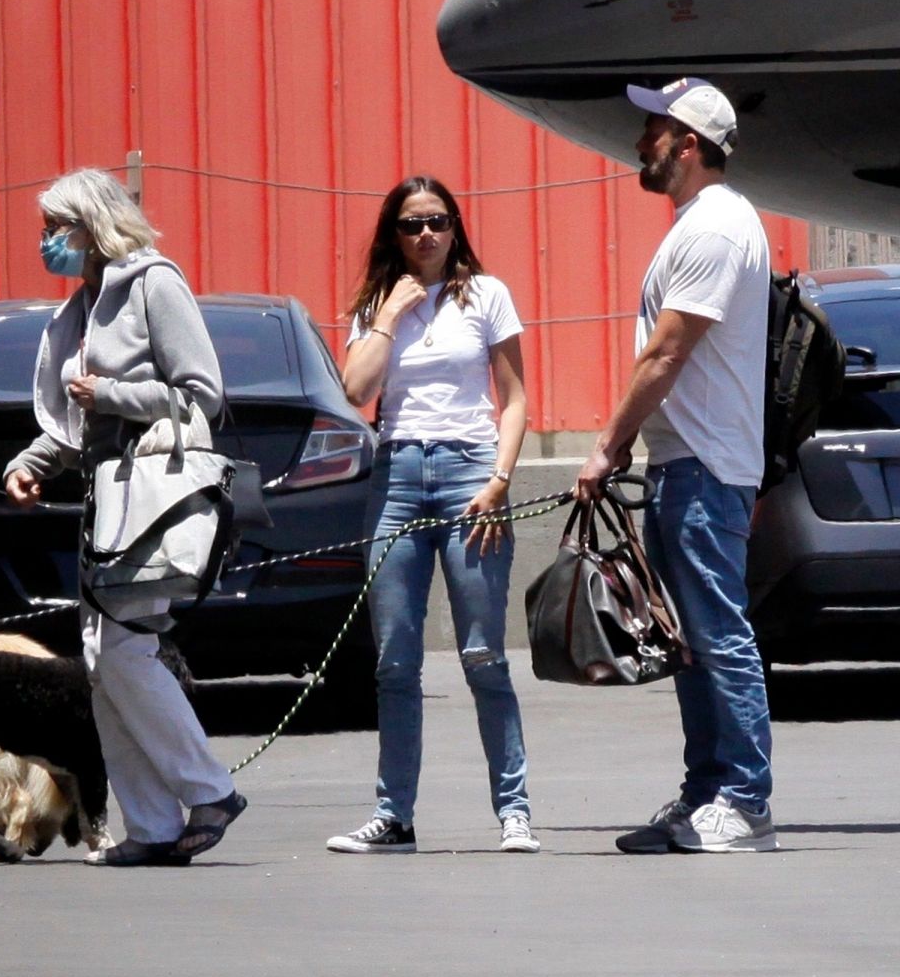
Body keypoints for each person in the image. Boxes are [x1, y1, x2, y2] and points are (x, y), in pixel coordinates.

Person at [4, 168, 246, 867]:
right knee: (101, 661)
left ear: (92, 224)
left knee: (123, 651)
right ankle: (152, 827)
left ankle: (209, 792)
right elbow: (79, 419)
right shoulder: (82, 304)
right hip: (105, 504)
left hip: (150, 499)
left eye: (57, 227)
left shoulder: (152, 283)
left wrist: (111, 391)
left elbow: (202, 393)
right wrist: (31, 460)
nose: (47, 241)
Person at [575, 78, 777, 854]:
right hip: (681, 465)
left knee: (718, 634)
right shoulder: (699, 223)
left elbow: (667, 350)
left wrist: (606, 444)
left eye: (652, 129)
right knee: (689, 641)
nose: (640, 141)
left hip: (705, 470)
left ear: (689, 144)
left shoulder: (718, 227)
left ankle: (747, 801)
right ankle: (705, 797)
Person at [326, 175, 539, 855]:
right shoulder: (377, 304)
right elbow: (357, 389)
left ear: (456, 228)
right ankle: (395, 816)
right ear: (395, 233)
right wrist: (388, 317)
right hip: (397, 476)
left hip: (470, 471)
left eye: (438, 221)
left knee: (482, 653)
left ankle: (514, 811)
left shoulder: (486, 295)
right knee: (394, 658)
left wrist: (501, 478)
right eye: (413, 224)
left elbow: (513, 397)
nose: (426, 235)